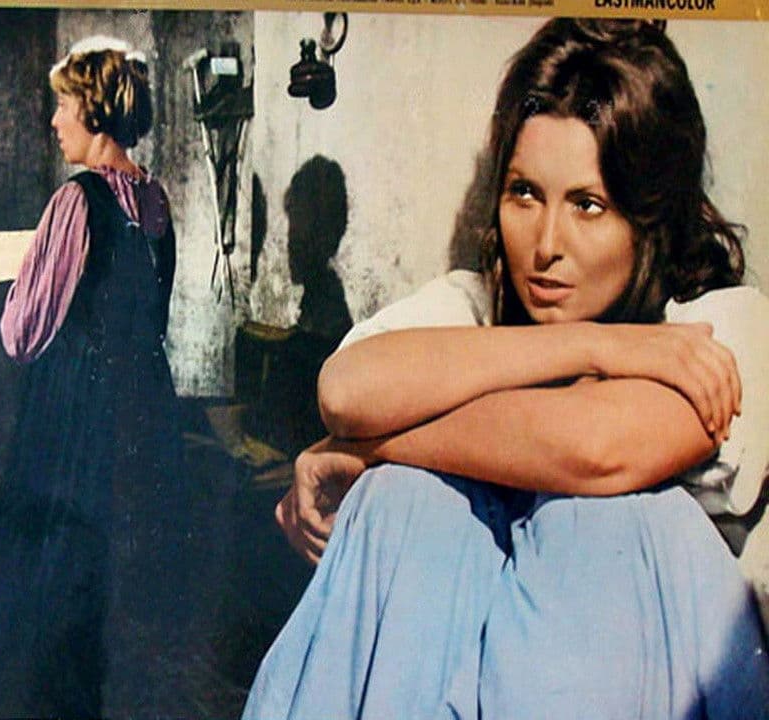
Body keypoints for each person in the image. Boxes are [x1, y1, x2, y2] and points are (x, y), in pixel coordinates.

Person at [245, 18, 769, 719]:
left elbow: (594, 449)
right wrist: (596, 346)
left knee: (601, 520)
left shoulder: (724, 325)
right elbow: (345, 389)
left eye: (588, 205)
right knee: (405, 503)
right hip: (459, 675)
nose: (546, 245)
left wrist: (365, 448)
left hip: (641, 680)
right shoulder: (478, 304)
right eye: (524, 193)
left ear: (653, 218)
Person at [0, 36, 193, 719]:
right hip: (142, 407)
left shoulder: (76, 201)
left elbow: (21, 333)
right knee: (108, 579)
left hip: (75, 407)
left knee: (44, 573)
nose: (54, 121)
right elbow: (153, 315)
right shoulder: (156, 201)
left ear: (93, 110)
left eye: (62, 106)